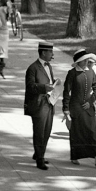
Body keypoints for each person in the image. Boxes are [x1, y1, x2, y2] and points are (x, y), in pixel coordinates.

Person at [61, 49, 96, 166]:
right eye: (84, 60)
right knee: (76, 133)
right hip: (75, 108)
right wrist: (66, 109)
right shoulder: (72, 73)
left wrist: (90, 102)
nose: (87, 61)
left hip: (88, 108)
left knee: (92, 131)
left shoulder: (91, 72)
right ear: (79, 62)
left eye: (87, 60)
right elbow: (66, 92)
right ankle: (75, 156)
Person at [23, 42, 59, 170]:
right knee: (39, 132)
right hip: (39, 104)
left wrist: (55, 83)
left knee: (47, 130)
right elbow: (30, 87)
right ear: (43, 53)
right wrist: (44, 87)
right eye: (50, 52)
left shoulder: (49, 66)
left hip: (49, 103)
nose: (52, 55)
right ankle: (40, 159)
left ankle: (39, 153)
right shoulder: (33, 68)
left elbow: (49, 81)